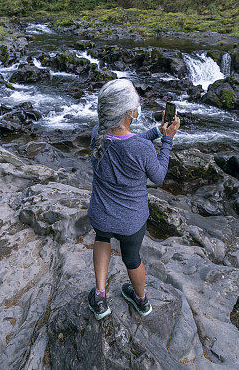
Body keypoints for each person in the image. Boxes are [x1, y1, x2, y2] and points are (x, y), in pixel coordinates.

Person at [87, 78, 180, 320]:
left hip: (101, 214)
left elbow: (125, 140)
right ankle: (141, 300)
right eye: (137, 99)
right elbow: (158, 176)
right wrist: (167, 139)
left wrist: (156, 132)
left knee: (102, 238)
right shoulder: (142, 148)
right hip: (131, 220)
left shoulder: (97, 133)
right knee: (132, 258)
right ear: (129, 111)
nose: (139, 101)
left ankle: (99, 296)